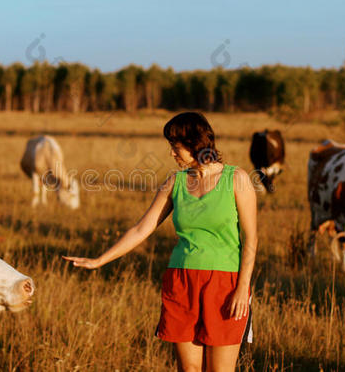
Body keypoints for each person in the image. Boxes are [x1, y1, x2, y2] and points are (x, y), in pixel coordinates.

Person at [64, 112, 258, 372]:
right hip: (181, 281)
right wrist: (100, 259)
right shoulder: (174, 183)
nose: (172, 154)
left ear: (194, 143)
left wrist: (242, 288)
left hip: (225, 285)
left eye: (175, 147)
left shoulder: (237, 179)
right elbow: (141, 228)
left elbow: (251, 239)